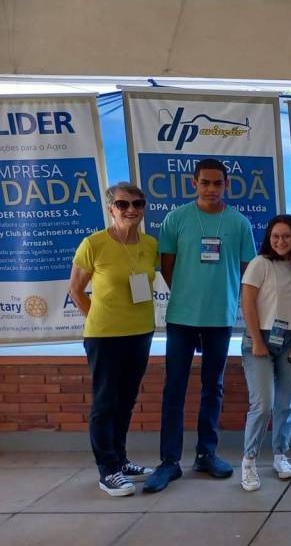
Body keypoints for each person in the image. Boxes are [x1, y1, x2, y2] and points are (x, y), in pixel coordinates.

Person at [144, 158, 257, 493]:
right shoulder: (176, 219)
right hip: (181, 317)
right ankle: (169, 462)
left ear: (226, 185)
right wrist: (190, 296)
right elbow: (168, 268)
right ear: (193, 183)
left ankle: (206, 454)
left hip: (220, 318)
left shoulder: (239, 223)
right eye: (205, 183)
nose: (211, 189)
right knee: (174, 388)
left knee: (213, 387)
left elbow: (248, 272)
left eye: (217, 183)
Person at [69, 183, 158, 497]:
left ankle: (120, 461)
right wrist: (99, 318)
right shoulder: (93, 244)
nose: (131, 209)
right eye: (123, 204)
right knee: (105, 402)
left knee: (126, 401)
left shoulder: (150, 244)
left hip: (141, 333)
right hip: (105, 337)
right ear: (111, 209)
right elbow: (75, 290)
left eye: (138, 203)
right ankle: (107, 470)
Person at [238, 214, 291, 492]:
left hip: (290, 340)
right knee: (263, 404)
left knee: (285, 403)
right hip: (260, 339)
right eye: (275, 236)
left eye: (286, 236)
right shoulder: (260, 264)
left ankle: (280, 455)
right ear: (269, 238)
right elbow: (247, 303)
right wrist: (257, 340)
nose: (280, 241)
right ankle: (249, 461)